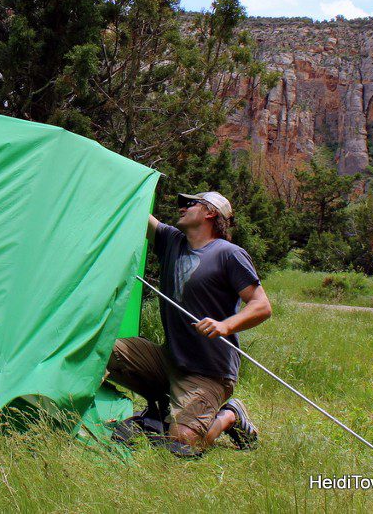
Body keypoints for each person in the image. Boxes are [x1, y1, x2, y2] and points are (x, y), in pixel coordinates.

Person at [106, 191, 272, 453]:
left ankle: (230, 415)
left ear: (210, 213)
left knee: (182, 444)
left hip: (208, 372)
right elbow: (136, 211)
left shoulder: (229, 254)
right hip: (168, 360)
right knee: (100, 349)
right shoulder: (171, 241)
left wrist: (225, 325)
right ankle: (163, 410)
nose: (181, 207)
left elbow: (261, 306)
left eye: (190, 203)